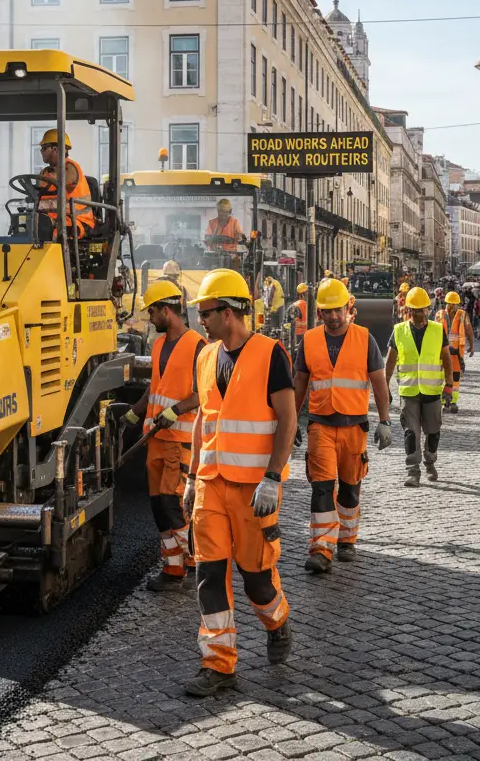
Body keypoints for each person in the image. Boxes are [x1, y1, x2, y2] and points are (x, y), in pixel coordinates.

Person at [182, 269, 296, 697]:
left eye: (206, 313)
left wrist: (272, 476)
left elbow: (286, 418)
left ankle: (277, 623)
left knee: (256, 578)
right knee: (209, 574)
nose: (201, 321)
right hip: (211, 486)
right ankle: (218, 664)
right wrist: (192, 477)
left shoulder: (271, 354)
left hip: (254, 490)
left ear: (228, 313)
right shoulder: (206, 357)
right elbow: (202, 421)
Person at [292, 278, 391, 574]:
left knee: (350, 488)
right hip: (320, 424)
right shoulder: (308, 340)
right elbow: (299, 385)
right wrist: (293, 421)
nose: (333, 317)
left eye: (338, 310)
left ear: (348, 308)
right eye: (326, 311)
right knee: (321, 488)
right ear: (319, 312)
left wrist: (384, 421)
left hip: (354, 426)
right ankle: (322, 549)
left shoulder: (364, 338)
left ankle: (347, 538)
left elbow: (378, 382)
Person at [124, 280, 205, 591]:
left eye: (152, 311)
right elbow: (156, 386)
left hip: (180, 441)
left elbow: (203, 393)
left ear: (167, 310)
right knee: (159, 506)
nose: (149, 317)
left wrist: (175, 411)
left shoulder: (196, 345)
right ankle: (173, 568)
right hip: (155, 439)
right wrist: (136, 409)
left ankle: (195, 559)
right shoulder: (158, 345)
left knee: (174, 503)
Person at [385, 287, 454, 488]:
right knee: (411, 433)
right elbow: (390, 362)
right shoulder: (399, 331)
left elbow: (446, 359)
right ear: (408, 310)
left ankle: (430, 461)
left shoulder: (437, 330)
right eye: (414, 310)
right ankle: (413, 471)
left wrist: (449, 385)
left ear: (428, 309)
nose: (418, 314)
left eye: (421, 310)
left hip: (432, 392)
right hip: (409, 392)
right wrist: (385, 387)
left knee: (433, 433)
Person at [35, 129, 94, 238]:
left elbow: (65, 184)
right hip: (50, 221)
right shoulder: (45, 173)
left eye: (44, 148)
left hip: (76, 220)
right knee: (24, 226)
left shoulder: (70, 167)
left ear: (56, 149)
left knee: (53, 233)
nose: (41, 151)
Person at [435, 291, 473, 414]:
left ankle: (448, 402)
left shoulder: (443, 314)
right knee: (449, 377)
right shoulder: (443, 315)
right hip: (449, 352)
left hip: (449, 352)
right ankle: (449, 402)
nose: (453, 307)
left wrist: (472, 346)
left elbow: (468, 330)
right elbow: (469, 330)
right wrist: (471, 346)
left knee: (448, 377)